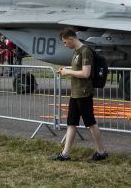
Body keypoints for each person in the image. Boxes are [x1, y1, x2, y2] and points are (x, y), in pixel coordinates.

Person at [53, 27, 107, 162]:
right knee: (71, 123)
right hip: (75, 93)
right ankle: (65, 154)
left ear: (71, 39)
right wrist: (67, 70)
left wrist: (68, 72)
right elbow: (79, 69)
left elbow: (85, 73)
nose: (65, 45)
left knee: (90, 123)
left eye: (65, 42)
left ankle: (101, 152)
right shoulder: (77, 52)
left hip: (84, 94)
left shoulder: (85, 51)